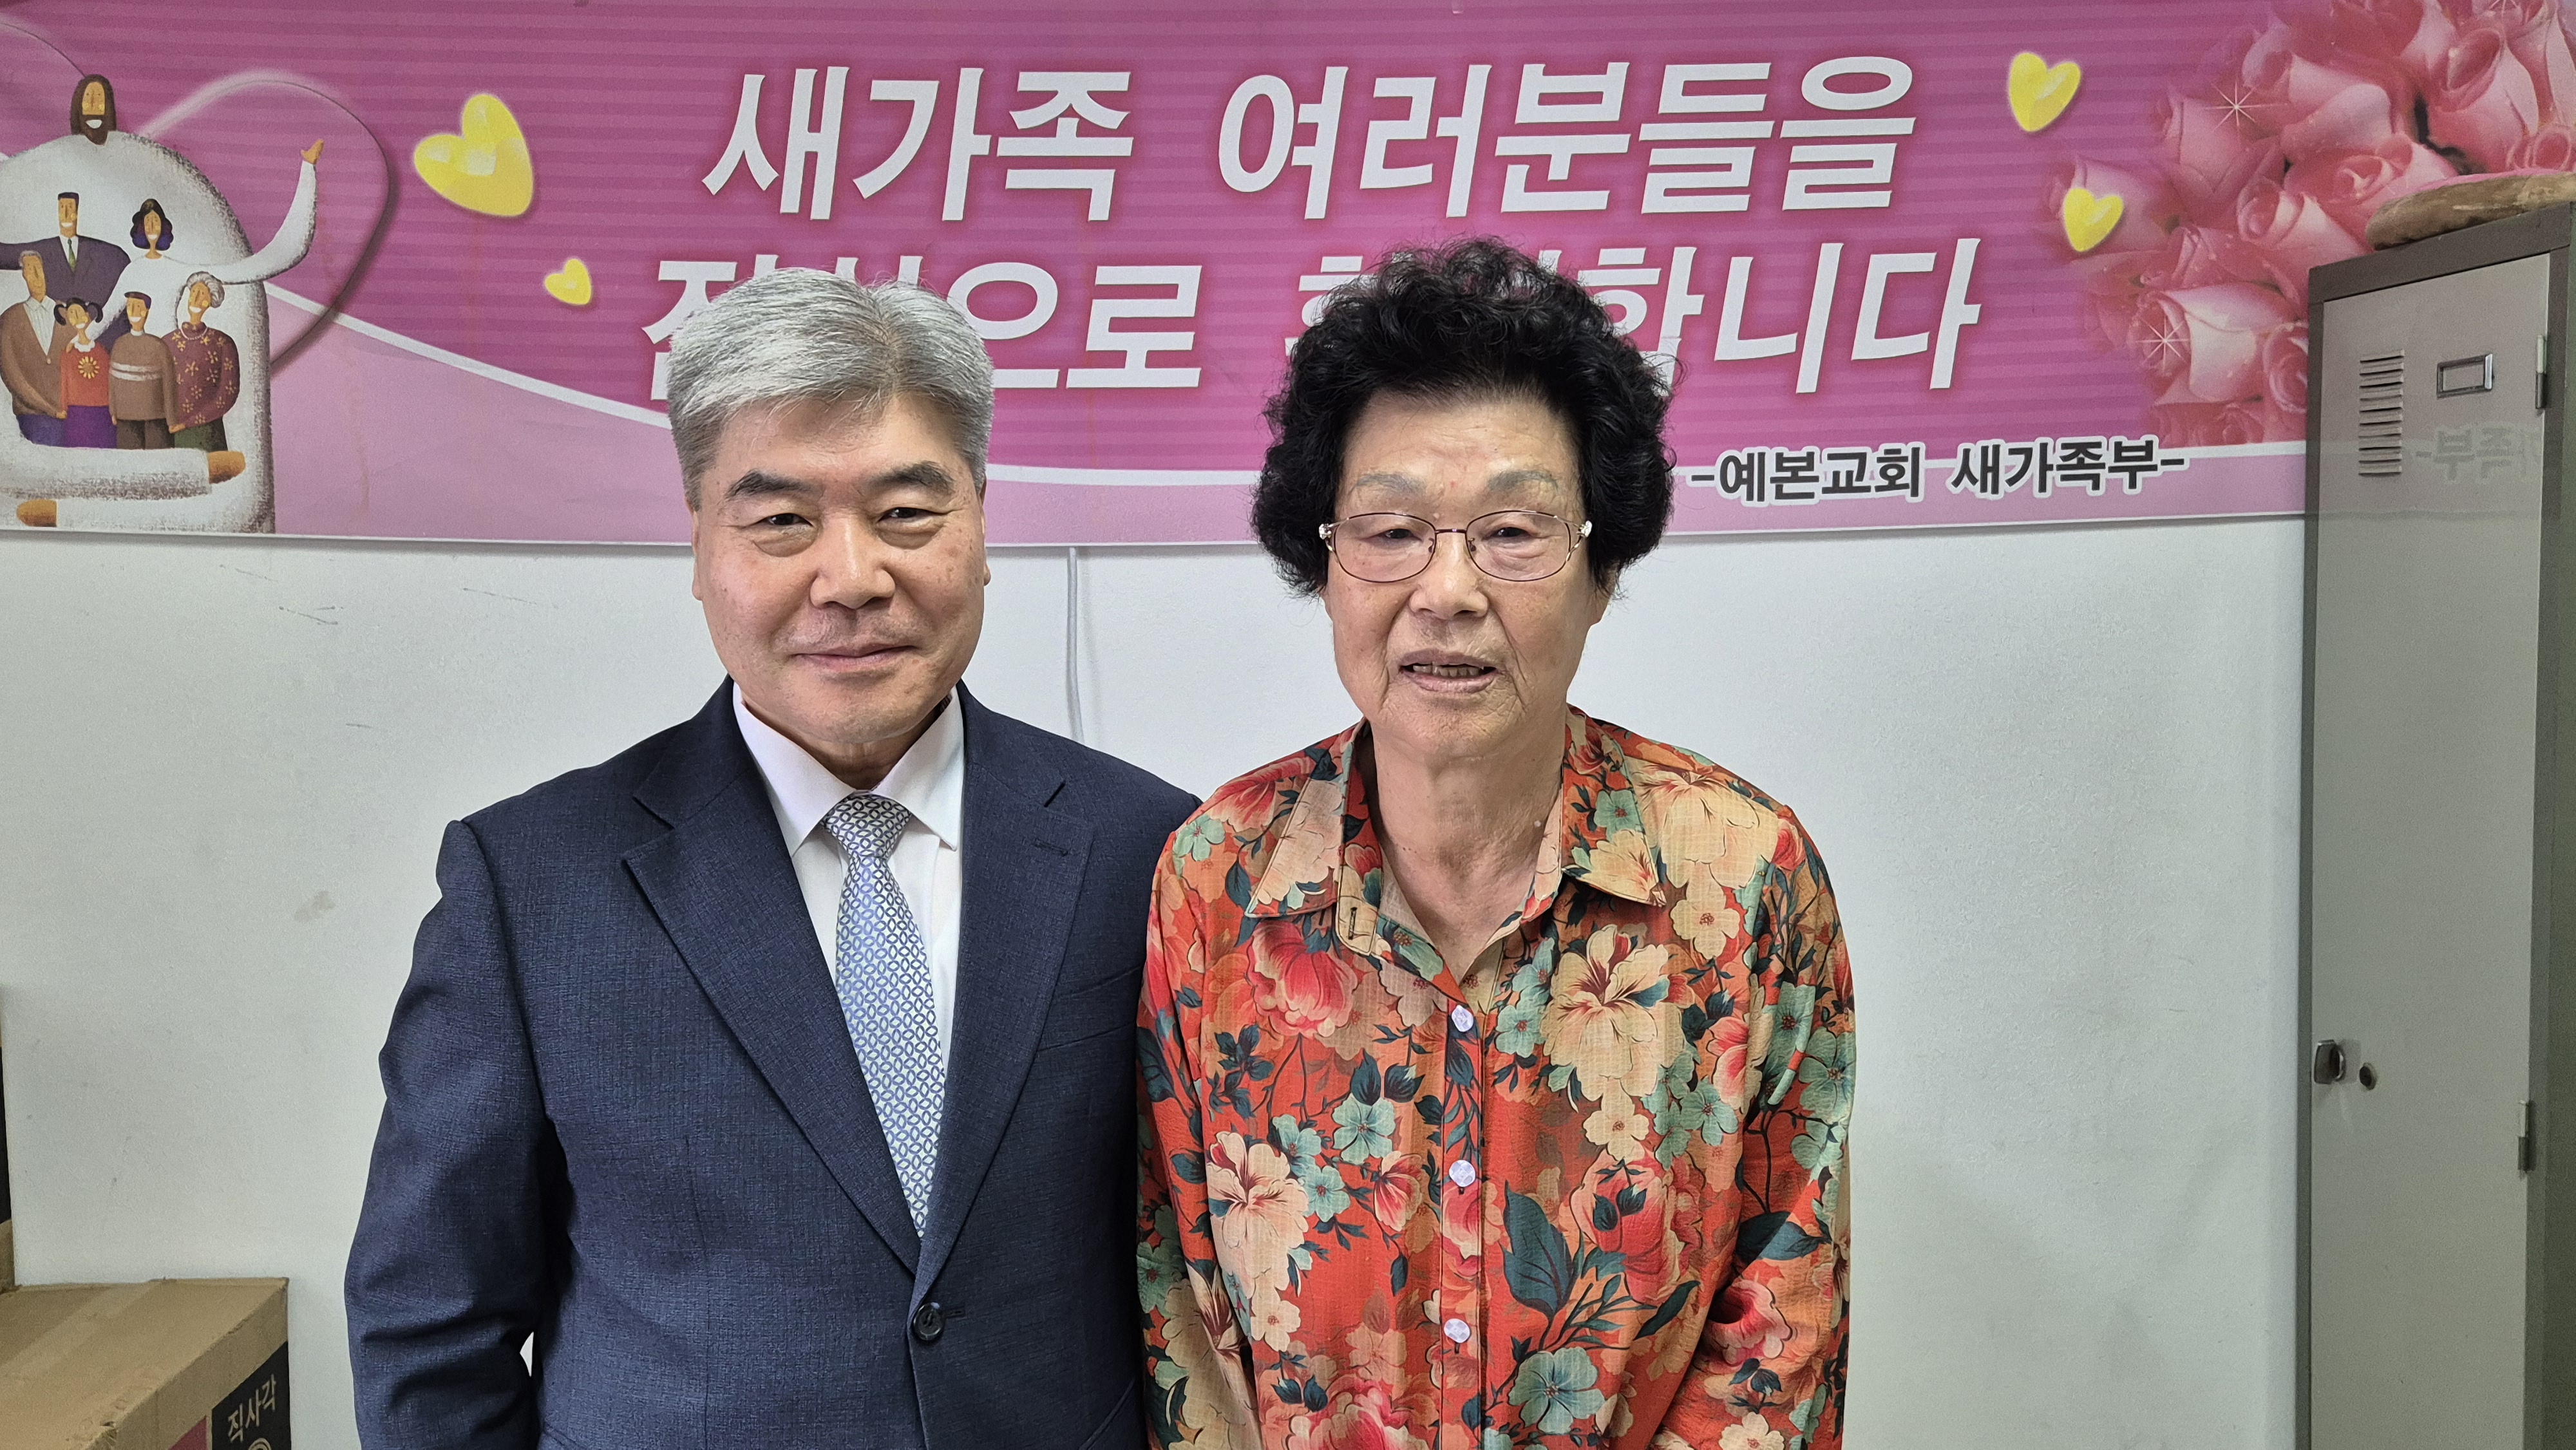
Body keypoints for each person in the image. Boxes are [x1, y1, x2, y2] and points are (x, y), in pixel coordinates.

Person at [345, 266, 1195, 1449]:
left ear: (982, 524)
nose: (851, 578)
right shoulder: (532, 886)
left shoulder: (1149, 849)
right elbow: (431, 1323)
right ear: (701, 543)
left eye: (908, 512)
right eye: (782, 520)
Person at [1137, 238, 1854, 1449]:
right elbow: (1183, 1314)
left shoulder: (1743, 873)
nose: (1448, 591)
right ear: (1325, 561)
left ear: (1603, 570)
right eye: (1392, 531)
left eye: (1514, 532)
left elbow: (1782, 1322)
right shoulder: (1218, 876)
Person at [3, 192, 130, 312]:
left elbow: (123, 265)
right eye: (62, 208)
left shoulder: (103, 251)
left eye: (70, 208)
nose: (66, 214)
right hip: (55, 320)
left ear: (77, 212)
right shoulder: (44, 249)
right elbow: (6, 255)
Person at [164, 274, 237, 451]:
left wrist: (188, 423)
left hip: (207, 434)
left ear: (211, 301)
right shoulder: (168, 342)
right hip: (167, 432)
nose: (196, 298)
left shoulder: (223, 343)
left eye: (203, 294)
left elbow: (227, 395)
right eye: (194, 293)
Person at [3, 251, 65, 444]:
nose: (36, 274)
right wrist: (49, 409)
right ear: (23, 275)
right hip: (33, 416)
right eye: (30, 269)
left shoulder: (68, 314)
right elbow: (12, 376)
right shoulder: (9, 320)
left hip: (72, 413)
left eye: (39, 268)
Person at [109, 292, 176, 448]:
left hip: (155, 417)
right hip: (126, 416)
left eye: (138, 307)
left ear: (146, 311)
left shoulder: (158, 346)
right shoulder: (119, 344)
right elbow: (113, 381)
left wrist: (172, 419)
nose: (133, 311)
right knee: (130, 459)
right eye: (130, 306)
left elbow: (169, 385)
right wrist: (114, 410)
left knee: (157, 458)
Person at [53, 298, 113, 448]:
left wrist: (114, 410)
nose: (77, 317)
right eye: (72, 315)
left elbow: (110, 383)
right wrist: (64, 408)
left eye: (79, 313)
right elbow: (65, 383)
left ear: (87, 315)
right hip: (77, 411)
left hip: (101, 410)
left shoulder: (101, 351)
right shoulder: (68, 353)